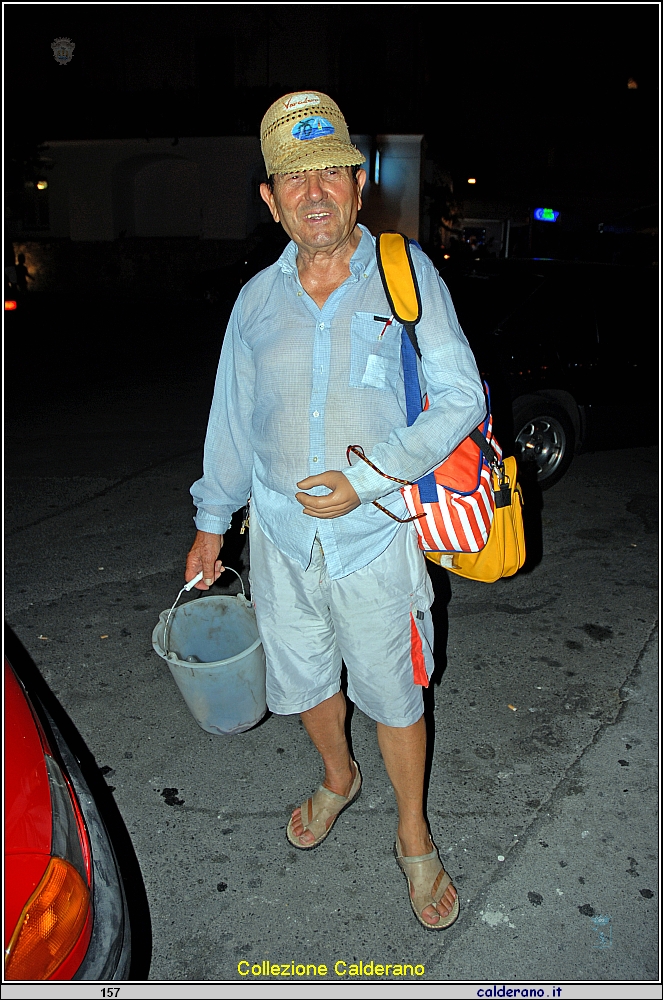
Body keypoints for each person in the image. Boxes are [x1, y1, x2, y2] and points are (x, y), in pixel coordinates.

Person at [185, 92, 485, 929]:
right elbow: (232, 423)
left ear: (358, 185)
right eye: (292, 178)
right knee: (308, 682)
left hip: (374, 538)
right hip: (279, 540)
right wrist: (214, 522)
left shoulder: (406, 273)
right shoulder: (254, 303)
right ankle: (337, 777)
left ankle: (412, 833)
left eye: (329, 174)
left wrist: (375, 474)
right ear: (270, 200)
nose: (312, 192)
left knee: (394, 694)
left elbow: (459, 397)